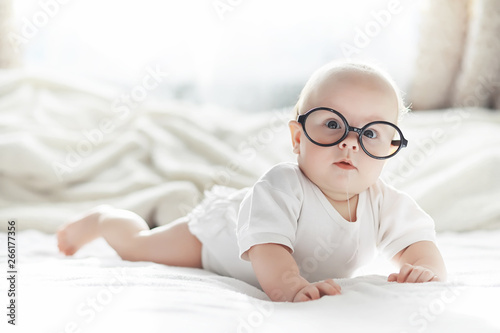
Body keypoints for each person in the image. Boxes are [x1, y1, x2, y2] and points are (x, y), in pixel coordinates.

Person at [57, 61, 447, 303]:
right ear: (297, 138)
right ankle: (106, 220)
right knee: (138, 248)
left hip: (244, 237)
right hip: (218, 236)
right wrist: (288, 286)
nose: (349, 141)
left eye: (371, 133)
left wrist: (421, 269)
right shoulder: (283, 184)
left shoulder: (385, 202)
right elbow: (269, 250)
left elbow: (420, 246)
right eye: (332, 124)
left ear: (392, 146)